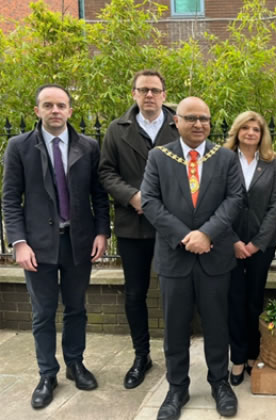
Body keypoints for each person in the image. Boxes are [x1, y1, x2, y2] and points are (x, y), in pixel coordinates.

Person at [2, 84, 110, 409]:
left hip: (78, 244)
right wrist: (19, 242)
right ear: (38, 111)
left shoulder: (88, 146)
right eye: (48, 105)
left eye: (61, 105)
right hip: (38, 245)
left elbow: (99, 195)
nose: (55, 111)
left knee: (76, 308)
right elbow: (10, 199)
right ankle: (47, 373)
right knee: (43, 313)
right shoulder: (19, 146)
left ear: (70, 111)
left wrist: (102, 233)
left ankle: (75, 363)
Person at [140, 97, 244, 420]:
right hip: (175, 258)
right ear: (176, 121)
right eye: (191, 118)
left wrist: (207, 234)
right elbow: (150, 201)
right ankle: (177, 387)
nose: (199, 124)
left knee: (216, 323)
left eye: (205, 118)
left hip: (215, 258)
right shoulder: (159, 157)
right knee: (174, 327)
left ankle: (219, 383)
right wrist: (187, 236)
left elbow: (235, 198)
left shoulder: (224, 157)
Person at [98, 69, 179, 389]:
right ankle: (141, 355)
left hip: (173, 225)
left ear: (163, 94)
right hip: (134, 225)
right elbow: (105, 172)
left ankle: (177, 355)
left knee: (176, 292)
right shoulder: (117, 131)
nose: (149, 95)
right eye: (143, 89)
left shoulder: (181, 125)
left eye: (154, 90)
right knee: (135, 294)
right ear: (133, 93)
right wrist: (133, 196)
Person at [223, 111, 276, 386]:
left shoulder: (272, 164)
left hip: (262, 244)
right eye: (245, 128)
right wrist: (233, 240)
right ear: (237, 131)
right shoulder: (223, 161)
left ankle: (252, 354)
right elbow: (214, 202)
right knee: (234, 300)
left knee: (254, 300)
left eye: (256, 129)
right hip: (229, 243)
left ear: (262, 135)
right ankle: (237, 358)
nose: (250, 133)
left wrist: (257, 242)